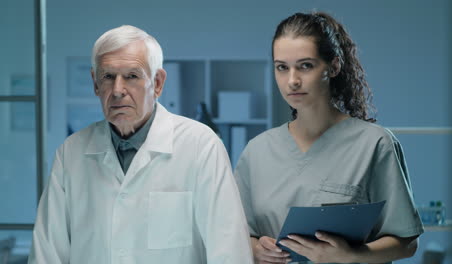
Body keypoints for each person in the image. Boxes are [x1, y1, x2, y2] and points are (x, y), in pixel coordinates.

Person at [28, 25, 253, 263]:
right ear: (95, 84)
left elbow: (229, 250)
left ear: (157, 83)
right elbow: (47, 252)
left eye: (132, 76)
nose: (117, 90)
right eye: (108, 77)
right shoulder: (72, 151)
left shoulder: (200, 145)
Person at [234, 12, 424, 264]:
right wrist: (255, 249)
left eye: (306, 66)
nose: (292, 81)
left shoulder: (374, 144)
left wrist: (352, 255)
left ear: (333, 67)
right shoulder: (257, 151)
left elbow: (407, 242)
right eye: (282, 67)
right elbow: (235, 233)